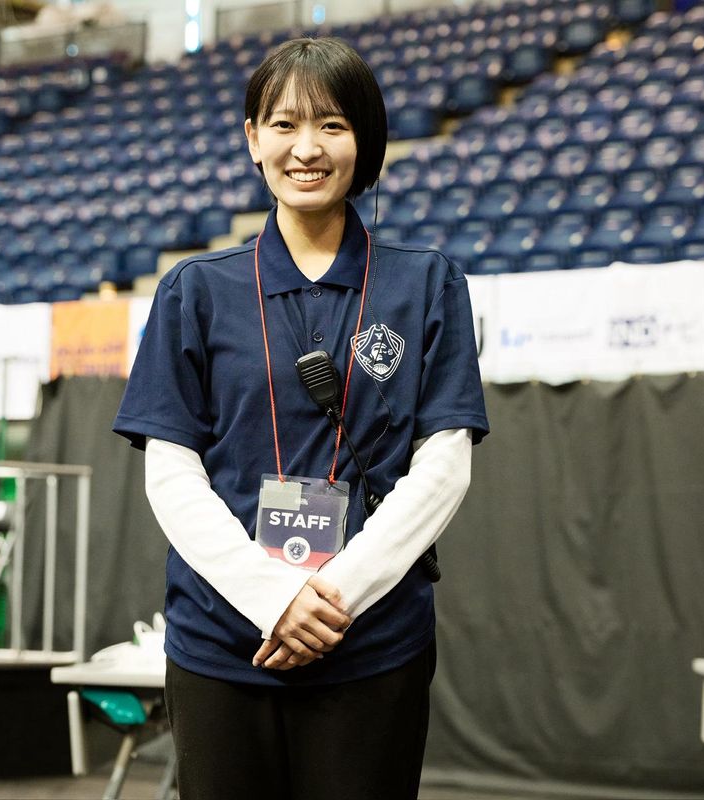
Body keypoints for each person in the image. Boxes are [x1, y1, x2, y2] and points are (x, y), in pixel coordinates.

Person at [113, 36, 489, 800]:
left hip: (371, 644)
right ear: (254, 139)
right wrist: (272, 597)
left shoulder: (427, 284)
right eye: (284, 125)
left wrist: (333, 596)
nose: (307, 148)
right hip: (224, 644)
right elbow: (171, 472)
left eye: (332, 125)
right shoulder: (193, 290)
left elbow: (444, 463)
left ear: (366, 140)